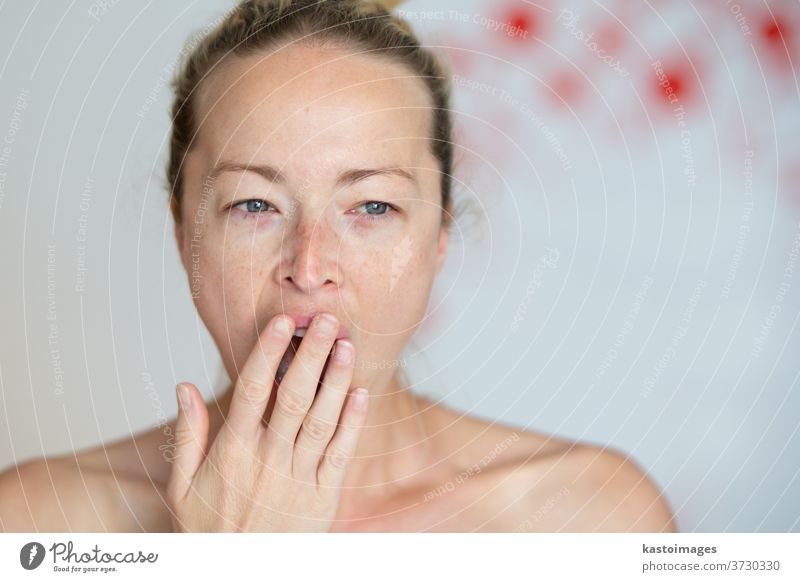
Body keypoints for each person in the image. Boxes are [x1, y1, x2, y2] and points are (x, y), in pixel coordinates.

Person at [0, 0, 676, 532]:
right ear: (183, 230)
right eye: (255, 204)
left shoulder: (590, 521)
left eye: (374, 206)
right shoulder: (36, 522)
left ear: (440, 234)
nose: (311, 265)